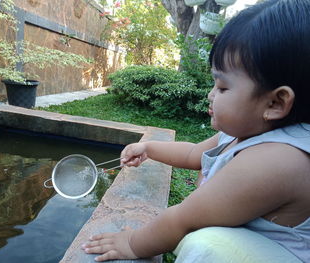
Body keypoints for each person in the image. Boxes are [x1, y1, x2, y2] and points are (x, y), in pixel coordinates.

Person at [82, 0, 310, 261]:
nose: (211, 95)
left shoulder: (277, 160)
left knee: (205, 244)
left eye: (223, 87)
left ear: (275, 103)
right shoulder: (243, 133)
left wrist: (133, 243)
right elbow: (193, 154)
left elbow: (182, 219)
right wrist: (148, 147)